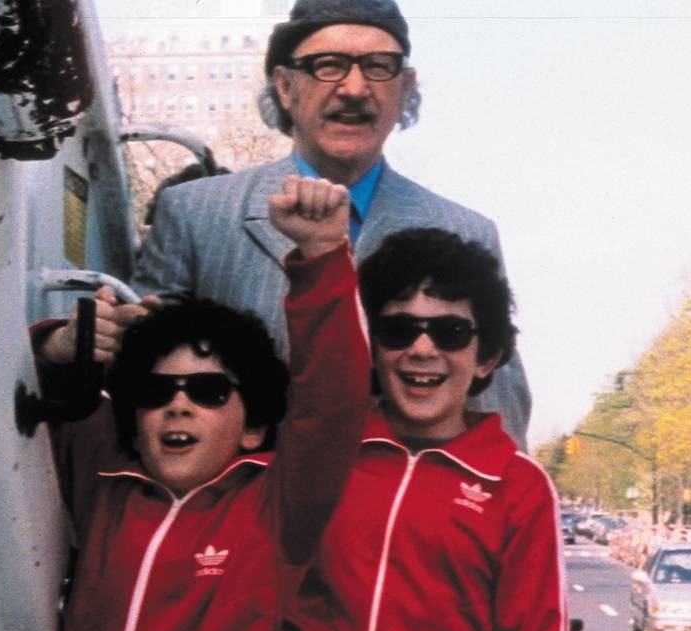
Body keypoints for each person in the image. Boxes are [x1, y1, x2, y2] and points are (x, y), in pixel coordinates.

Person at [31, 177, 369, 631]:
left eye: (210, 392)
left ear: (254, 427)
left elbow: (332, 402)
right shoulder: (105, 481)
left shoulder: (275, 506)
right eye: (158, 391)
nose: (179, 405)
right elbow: (34, 404)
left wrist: (322, 255)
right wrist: (55, 347)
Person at [132, 0, 531, 448]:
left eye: (379, 66)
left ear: (405, 88)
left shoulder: (464, 233)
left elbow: (497, 413)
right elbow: (138, 378)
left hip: (406, 491)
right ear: (285, 86)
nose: (355, 88)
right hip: (246, 488)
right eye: (328, 66)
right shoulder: (195, 214)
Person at [262, 228, 569, 631]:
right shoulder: (327, 447)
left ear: (486, 357)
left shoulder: (517, 487)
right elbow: (316, 354)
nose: (422, 350)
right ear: (373, 346)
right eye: (399, 330)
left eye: (450, 332)